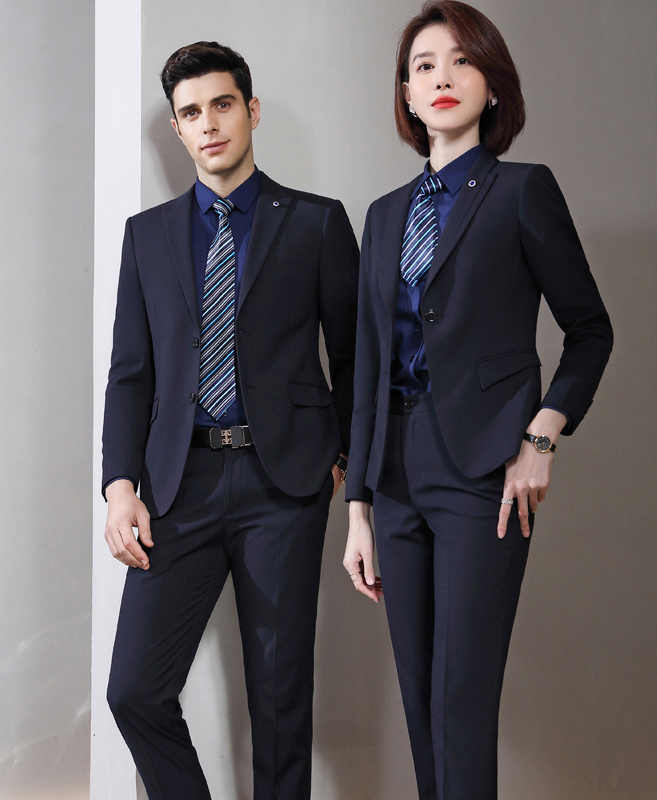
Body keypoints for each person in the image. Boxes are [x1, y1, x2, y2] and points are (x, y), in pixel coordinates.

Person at [343, 2, 613, 798]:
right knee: (420, 699)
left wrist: (540, 438)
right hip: (393, 475)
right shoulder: (382, 216)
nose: (443, 77)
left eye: (462, 61)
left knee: (459, 700)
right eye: (424, 66)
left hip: (482, 471)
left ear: (492, 85)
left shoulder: (522, 191)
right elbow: (367, 365)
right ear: (405, 93)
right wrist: (357, 509)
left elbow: (589, 331)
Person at [102, 41, 358, 800]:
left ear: (251, 111)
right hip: (177, 484)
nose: (208, 124)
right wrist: (120, 486)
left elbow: (353, 357)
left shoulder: (315, 223)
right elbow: (131, 374)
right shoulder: (146, 235)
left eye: (222, 105)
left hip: (284, 487)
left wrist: (345, 459)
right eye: (191, 113)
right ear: (177, 129)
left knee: (279, 703)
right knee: (134, 690)